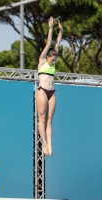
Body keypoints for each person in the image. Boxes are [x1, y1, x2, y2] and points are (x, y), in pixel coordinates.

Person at [36, 16, 63, 156]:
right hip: (42, 91)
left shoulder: (53, 63)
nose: (54, 60)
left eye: (55, 59)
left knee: (50, 120)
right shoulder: (42, 62)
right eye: (52, 58)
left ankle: (50, 145)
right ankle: (44, 144)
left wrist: (61, 30)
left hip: (52, 92)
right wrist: (51, 28)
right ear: (47, 57)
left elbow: (57, 44)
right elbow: (49, 44)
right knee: (42, 118)